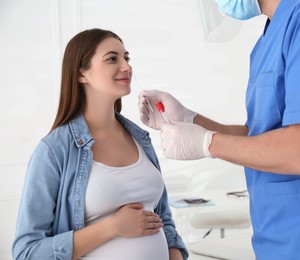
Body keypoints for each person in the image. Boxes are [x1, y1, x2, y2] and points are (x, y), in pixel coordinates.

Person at [138, 0, 300, 259]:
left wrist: (208, 143)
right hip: (278, 238)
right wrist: (193, 120)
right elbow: (264, 137)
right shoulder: (273, 32)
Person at [12, 28, 188, 260]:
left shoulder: (141, 139)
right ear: (80, 74)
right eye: (112, 59)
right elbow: (27, 252)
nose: (126, 67)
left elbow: (163, 219)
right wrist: (112, 226)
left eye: (126, 57)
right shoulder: (54, 150)